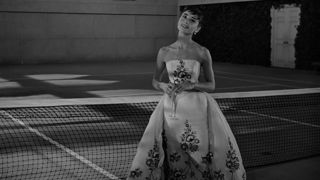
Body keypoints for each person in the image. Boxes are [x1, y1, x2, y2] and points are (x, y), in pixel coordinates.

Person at [127, 6, 246, 180]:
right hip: (172, 109)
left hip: (198, 108)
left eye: (192, 20)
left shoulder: (202, 52)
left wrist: (193, 85)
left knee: (200, 151)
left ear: (197, 28)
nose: (186, 22)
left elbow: (211, 85)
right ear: (178, 20)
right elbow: (155, 80)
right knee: (175, 152)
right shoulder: (164, 52)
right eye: (184, 17)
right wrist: (162, 86)